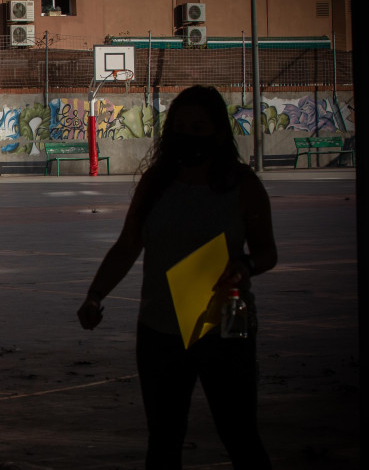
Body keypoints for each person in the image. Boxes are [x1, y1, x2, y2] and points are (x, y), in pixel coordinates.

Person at [77, 85, 277, 469]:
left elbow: (268, 251)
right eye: (182, 126)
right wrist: (95, 295)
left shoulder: (242, 185)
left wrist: (246, 266)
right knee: (164, 440)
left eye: (200, 127)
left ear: (219, 132)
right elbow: (126, 246)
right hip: (159, 329)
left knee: (240, 435)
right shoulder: (156, 184)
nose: (191, 135)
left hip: (224, 327)